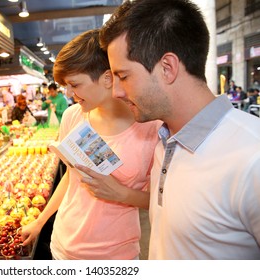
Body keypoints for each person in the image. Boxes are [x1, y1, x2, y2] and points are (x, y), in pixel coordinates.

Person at [91, 0, 260, 259]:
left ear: (167, 68)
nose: (116, 92)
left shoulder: (252, 157)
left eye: (123, 76)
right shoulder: (165, 141)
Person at [20, 29, 161, 260]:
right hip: (63, 247)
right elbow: (71, 177)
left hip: (116, 256)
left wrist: (122, 194)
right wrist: (40, 221)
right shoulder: (73, 116)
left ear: (107, 78)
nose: (69, 93)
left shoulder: (150, 127)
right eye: (66, 85)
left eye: (75, 84)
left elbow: (162, 199)